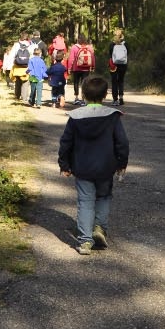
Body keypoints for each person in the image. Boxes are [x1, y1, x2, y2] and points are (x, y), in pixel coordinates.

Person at [57, 75, 129, 255]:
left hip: (82, 167)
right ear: (105, 95)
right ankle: (99, 229)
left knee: (85, 202)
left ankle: (85, 241)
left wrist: (64, 164)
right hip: (106, 167)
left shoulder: (76, 117)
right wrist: (122, 163)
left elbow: (66, 142)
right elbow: (122, 142)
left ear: (83, 95)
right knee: (103, 197)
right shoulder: (112, 116)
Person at [65, 34, 95, 105]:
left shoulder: (74, 47)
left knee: (76, 82)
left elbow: (71, 59)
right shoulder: (89, 47)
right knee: (85, 83)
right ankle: (84, 99)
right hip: (86, 68)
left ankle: (76, 98)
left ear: (78, 39)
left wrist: (69, 68)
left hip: (76, 68)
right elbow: (93, 57)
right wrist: (93, 66)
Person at [9, 32, 32, 101]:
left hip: (17, 66)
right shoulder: (30, 45)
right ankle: (24, 98)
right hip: (26, 67)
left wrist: (11, 65)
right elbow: (32, 56)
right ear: (27, 37)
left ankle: (17, 96)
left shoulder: (16, 45)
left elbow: (11, 55)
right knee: (25, 82)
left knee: (18, 81)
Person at [110, 30, 129, 105]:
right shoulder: (125, 44)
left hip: (114, 65)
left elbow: (110, 54)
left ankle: (115, 100)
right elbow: (128, 53)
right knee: (121, 81)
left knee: (114, 82)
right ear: (122, 35)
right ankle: (121, 97)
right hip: (123, 65)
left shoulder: (112, 44)